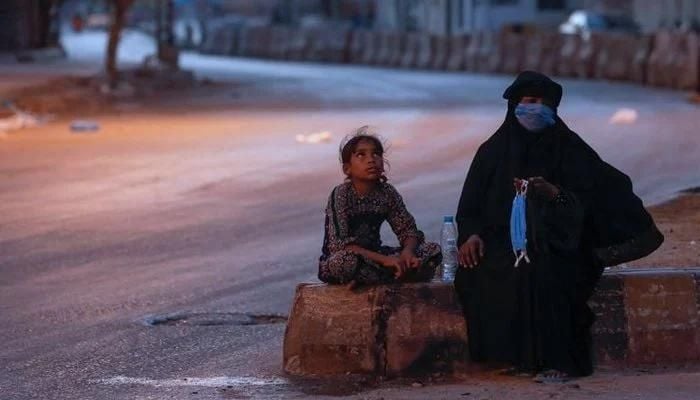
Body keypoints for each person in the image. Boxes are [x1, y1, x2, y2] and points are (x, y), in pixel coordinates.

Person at [453, 71, 663, 382]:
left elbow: (600, 191)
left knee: (547, 272)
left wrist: (557, 195)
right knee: (482, 273)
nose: (536, 109)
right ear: (514, 106)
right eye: (529, 102)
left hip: (561, 242)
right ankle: (511, 357)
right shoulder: (492, 152)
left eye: (543, 103)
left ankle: (560, 362)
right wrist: (470, 235)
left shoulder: (569, 148)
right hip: (503, 243)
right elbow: (470, 206)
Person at [318, 127, 442, 287]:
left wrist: (407, 253)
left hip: (376, 256)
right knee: (343, 261)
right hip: (345, 258)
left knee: (432, 250)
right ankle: (397, 274)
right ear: (347, 168)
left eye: (376, 154)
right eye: (361, 155)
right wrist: (386, 261)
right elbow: (339, 245)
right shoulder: (341, 194)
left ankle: (380, 275)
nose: (371, 159)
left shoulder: (387, 193)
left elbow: (408, 231)